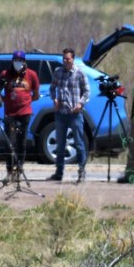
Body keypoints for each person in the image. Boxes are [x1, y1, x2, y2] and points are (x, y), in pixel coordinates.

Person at [0, 50, 40, 183]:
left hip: (24, 113)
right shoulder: (5, 74)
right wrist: (2, 98)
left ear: (24, 62)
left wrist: (26, 102)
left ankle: (19, 170)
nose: (18, 63)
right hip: (10, 114)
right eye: (16, 60)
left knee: (21, 143)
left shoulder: (31, 75)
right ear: (12, 61)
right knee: (9, 143)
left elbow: (36, 94)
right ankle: (9, 171)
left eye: (20, 60)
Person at [50, 48, 90, 183]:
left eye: (68, 59)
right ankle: (59, 172)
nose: (65, 61)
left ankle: (81, 172)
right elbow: (52, 88)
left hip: (75, 114)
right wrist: (54, 99)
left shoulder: (80, 73)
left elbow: (87, 92)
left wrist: (80, 104)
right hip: (61, 113)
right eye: (64, 59)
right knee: (60, 144)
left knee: (79, 143)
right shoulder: (58, 72)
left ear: (73, 59)